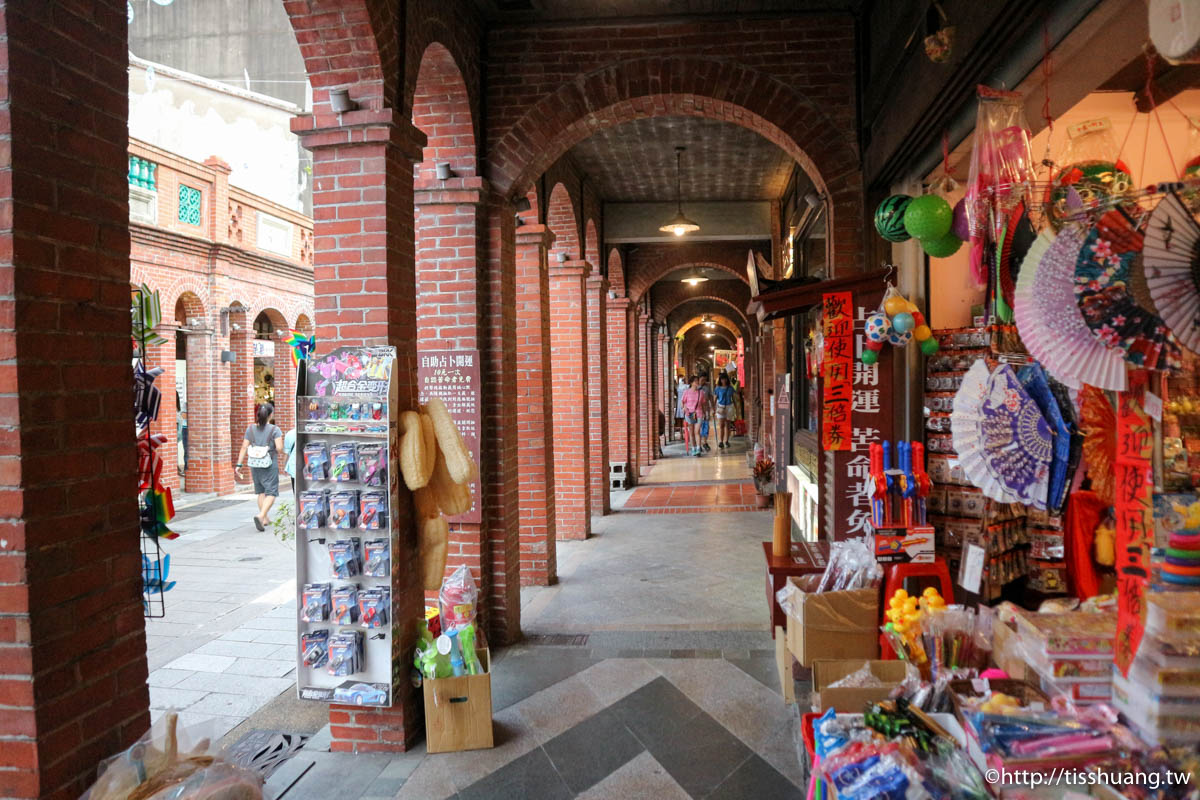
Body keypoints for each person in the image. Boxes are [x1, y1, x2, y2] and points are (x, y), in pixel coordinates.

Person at [236, 403, 284, 531]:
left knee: (261, 491)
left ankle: (265, 519)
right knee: (272, 492)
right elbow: (279, 448)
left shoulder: (250, 429)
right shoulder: (275, 430)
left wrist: (239, 464)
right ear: (270, 415)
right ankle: (261, 515)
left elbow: (244, 447)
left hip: (254, 464)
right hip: (269, 463)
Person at [680, 375, 705, 457]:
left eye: (697, 381)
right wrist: (684, 407)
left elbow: (703, 404)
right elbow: (682, 402)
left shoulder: (701, 392)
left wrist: (705, 413)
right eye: (695, 381)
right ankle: (693, 448)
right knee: (691, 432)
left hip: (699, 413)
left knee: (697, 431)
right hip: (689, 414)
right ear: (691, 383)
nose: (697, 382)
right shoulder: (686, 392)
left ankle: (698, 448)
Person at [714, 372, 735, 449]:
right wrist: (713, 408)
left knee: (728, 425)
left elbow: (734, 398)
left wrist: (736, 408)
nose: (724, 380)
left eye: (725, 379)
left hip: (729, 406)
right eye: (722, 379)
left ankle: (727, 441)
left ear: (727, 379)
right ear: (720, 380)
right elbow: (715, 398)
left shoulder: (730, 388)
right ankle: (721, 441)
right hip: (720, 407)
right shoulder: (717, 388)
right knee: (721, 425)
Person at [699, 375, 715, 453]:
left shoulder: (707, 387)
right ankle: (699, 444)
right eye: (702, 380)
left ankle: (705, 442)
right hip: (698, 410)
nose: (703, 382)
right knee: (699, 427)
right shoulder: (695, 387)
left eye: (705, 380)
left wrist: (713, 407)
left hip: (706, 409)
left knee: (706, 426)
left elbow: (711, 397)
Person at [676, 375, 690, 449]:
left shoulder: (681, 387)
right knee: (683, 418)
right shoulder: (679, 386)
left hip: (682, 402)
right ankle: (683, 432)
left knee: (684, 417)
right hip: (682, 402)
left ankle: (684, 432)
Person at [283, 427, 297, 497]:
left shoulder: (289, 434)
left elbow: (286, 453)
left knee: (295, 489)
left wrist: (284, 466)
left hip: (293, 466)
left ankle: (297, 506)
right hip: (308, 465)